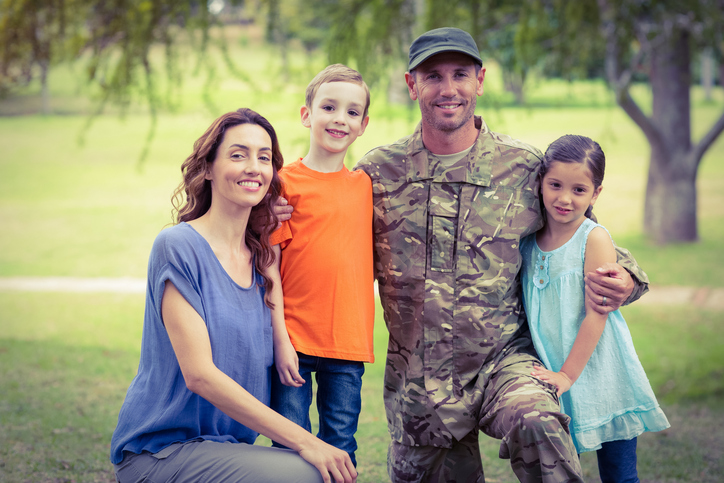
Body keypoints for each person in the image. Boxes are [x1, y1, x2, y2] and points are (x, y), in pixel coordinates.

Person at [352, 28, 649, 482]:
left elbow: (585, 234)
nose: (448, 89)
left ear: (481, 80)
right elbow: (324, 240)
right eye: (433, 76)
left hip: (504, 364)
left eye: (460, 75)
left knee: (538, 422)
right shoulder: (377, 174)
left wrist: (625, 276)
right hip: (421, 382)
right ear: (412, 85)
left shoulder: (525, 167)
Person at [109, 108, 357, 483]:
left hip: (226, 450)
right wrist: (308, 442)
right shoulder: (178, 247)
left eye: (264, 158)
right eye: (238, 155)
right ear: (208, 167)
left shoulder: (261, 262)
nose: (253, 168)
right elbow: (200, 377)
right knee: (311, 473)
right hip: (162, 452)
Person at [521, 134, 669, 482]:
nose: (564, 198)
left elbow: (596, 314)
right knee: (560, 466)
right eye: (555, 185)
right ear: (540, 182)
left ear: (595, 193)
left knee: (618, 473)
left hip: (602, 372)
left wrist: (567, 375)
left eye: (579, 190)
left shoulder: (594, 238)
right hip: (557, 366)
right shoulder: (529, 238)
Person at [268, 64, 374, 467]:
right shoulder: (282, 185)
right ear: (306, 114)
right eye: (329, 107)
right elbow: (269, 269)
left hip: (347, 343)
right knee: (291, 449)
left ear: (363, 125)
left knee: (340, 447)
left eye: (351, 112)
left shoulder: (365, 185)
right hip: (293, 339)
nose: (339, 119)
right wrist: (280, 340)